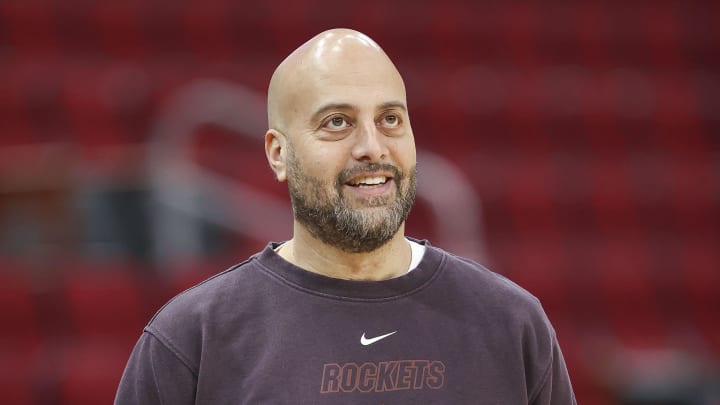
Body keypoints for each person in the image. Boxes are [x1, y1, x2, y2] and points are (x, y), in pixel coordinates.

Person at [115, 28, 577, 404]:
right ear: (279, 154)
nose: (372, 147)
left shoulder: (511, 324)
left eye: (390, 119)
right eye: (337, 121)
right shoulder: (192, 339)